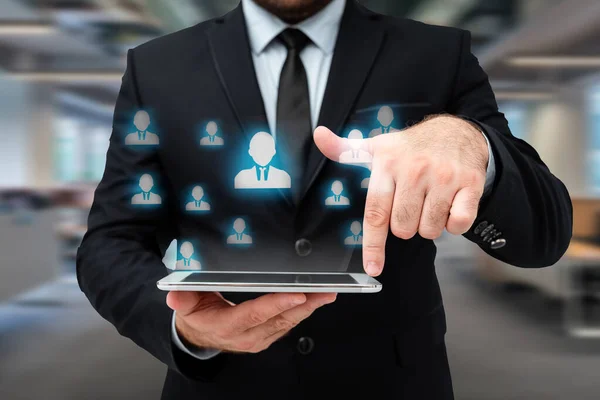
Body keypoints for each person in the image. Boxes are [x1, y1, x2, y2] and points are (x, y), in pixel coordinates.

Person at [76, 0, 573, 399]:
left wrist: (469, 144)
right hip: (220, 385)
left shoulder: (437, 53)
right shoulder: (157, 66)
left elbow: (542, 238)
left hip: (393, 383)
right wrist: (184, 331)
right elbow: (109, 243)